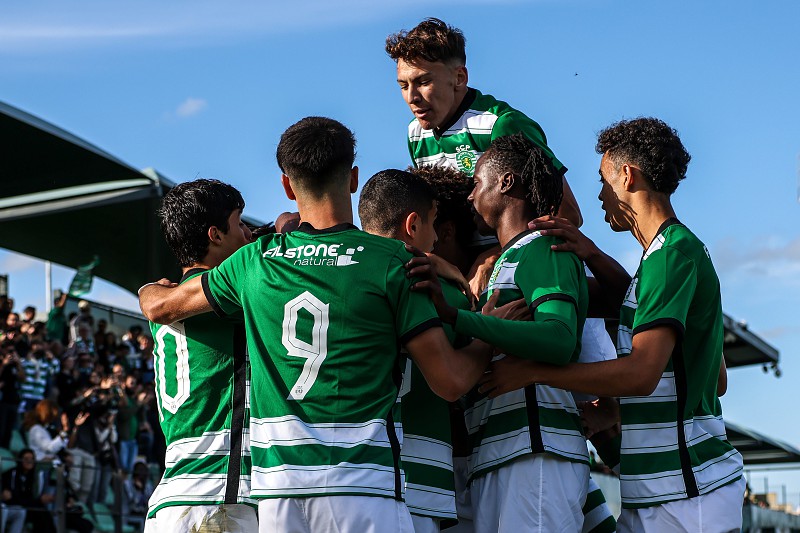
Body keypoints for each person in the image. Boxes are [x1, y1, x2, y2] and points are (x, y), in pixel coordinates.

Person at [139, 117, 496, 533]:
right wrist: (486, 328)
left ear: (288, 186)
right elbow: (450, 382)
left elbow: (163, 306)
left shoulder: (252, 263)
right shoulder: (394, 262)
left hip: (276, 494)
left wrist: (149, 288)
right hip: (365, 487)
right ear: (354, 179)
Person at [482, 118, 745, 531]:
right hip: (665, 490)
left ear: (627, 175)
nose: (600, 194)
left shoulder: (671, 257)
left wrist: (533, 370)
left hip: (686, 492)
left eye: (603, 180)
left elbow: (642, 374)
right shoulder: (665, 256)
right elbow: (715, 376)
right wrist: (592, 255)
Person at [410, 133, 591, 531]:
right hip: (501, 453)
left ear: (506, 183)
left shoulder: (544, 247)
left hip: (536, 453)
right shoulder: (507, 260)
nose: (471, 197)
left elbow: (559, 338)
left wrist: (461, 318)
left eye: (476, 183)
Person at [386, 17, 581, 229]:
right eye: (403, 86)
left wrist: (498, 253)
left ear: (459, 78)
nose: (412, 97)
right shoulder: (415, 134)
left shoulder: (501, 125)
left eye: (424, 82)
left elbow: (567, 215)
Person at [144, 179, 257, 532]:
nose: (248, 232)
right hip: (221, 495)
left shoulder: (164, 299)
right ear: (215, 235)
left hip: (172, 498)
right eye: (239, 223)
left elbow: (152, 297)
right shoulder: (233, 292)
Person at [0, 448, 56, 533]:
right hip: (13, 505)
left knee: (43, 512)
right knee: (38, 512)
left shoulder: (34, 477)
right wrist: (39, 500)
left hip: (28, 505)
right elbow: (11, 496)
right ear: (20, 460)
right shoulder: (11, 474)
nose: (29, 461)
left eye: (32, 459)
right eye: (26, 459)